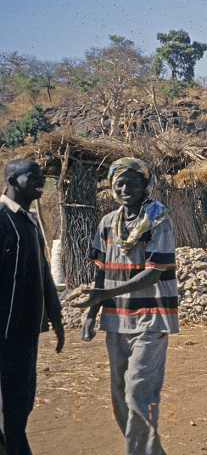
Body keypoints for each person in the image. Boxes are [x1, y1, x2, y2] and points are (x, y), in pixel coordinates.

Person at [76, 158, 177, 455]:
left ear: (146, 186)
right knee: (120, 395)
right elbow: (101, 270)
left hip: (152, 317)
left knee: (137, 393)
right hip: (115, 319)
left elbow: (154, 271)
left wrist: (102, 295)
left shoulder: (158, 219)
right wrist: (91, 312)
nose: (124, 188)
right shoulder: (108, 222)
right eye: (119, 183)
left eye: (132, 183)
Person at [0, 158, 64, 455]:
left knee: (22, 402)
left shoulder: (29, 220)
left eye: (43, 176)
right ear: (13, 180)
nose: (42, 180)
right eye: (34, 176)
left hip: (27, 330)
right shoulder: (1, 217)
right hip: (4, 332)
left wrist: (56, 317)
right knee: (10, 408)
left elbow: (43, 273)